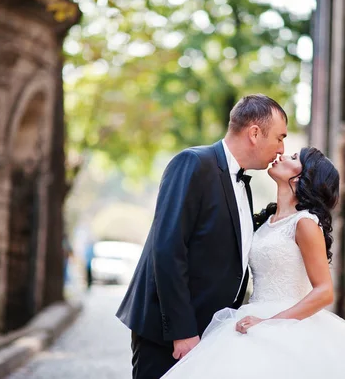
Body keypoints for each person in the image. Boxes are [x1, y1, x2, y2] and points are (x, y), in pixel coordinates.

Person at [161, 147, 345, 378]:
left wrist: (269, 323)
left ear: (302, 178)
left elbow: (325, 292)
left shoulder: (305, 223)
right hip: (250, 314)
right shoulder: (266, 222)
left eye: (294, 157)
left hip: (286, 324)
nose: (282, 155)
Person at [116, 94, 288, 379]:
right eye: (279, 138)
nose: (281, 149)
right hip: (169, 335)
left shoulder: (241, 182)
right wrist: (182, 332)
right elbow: (167, 249)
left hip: (209, 335)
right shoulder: (193, 163)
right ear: (255, 133)